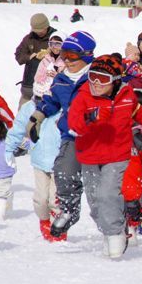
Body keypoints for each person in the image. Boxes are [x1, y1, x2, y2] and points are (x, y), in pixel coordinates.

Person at [68, 53, 142, 258]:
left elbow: (138, 113)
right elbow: (73, 123)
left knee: (108, 194)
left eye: (103, 79)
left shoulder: (127, 95)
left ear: (116, 81)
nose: (96, 83)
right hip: (89, 155)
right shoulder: (83, 96)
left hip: (118, 154)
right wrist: (91, 118)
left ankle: (116, 234)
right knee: (95, 202)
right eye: (93, 77)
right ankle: (111, 229)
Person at [27, 31, 96, 239]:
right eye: (64, 54)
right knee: (63, 172)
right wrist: (37, 116)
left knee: (98, 189)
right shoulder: (62, 79)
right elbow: (51, 99)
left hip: (97, 137)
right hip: (72, 135)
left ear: (87, 54)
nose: (67, 60)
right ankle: (68, 210)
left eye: (73, 55)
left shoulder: (96, 77)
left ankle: (118, 220)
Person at [5, 82, 62, 242]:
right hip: (39, 160)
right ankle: (44, 220)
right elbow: (17, 130)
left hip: (60, 160)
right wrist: (9, 149)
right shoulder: (29, 108)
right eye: (38, 98)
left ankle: (59, 227)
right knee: (41, 198)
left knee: (55, 199)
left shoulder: (62, 108)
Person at [15, 13, 57, 108]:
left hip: (48, 86)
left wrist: (50, 55)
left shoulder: (56, 38)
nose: (39, 33)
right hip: (28, 85)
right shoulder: (29, 38)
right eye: (36, 30)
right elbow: (18, 55)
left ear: (47, 26)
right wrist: (30, 57)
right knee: (23, 115)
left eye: (41, 30)